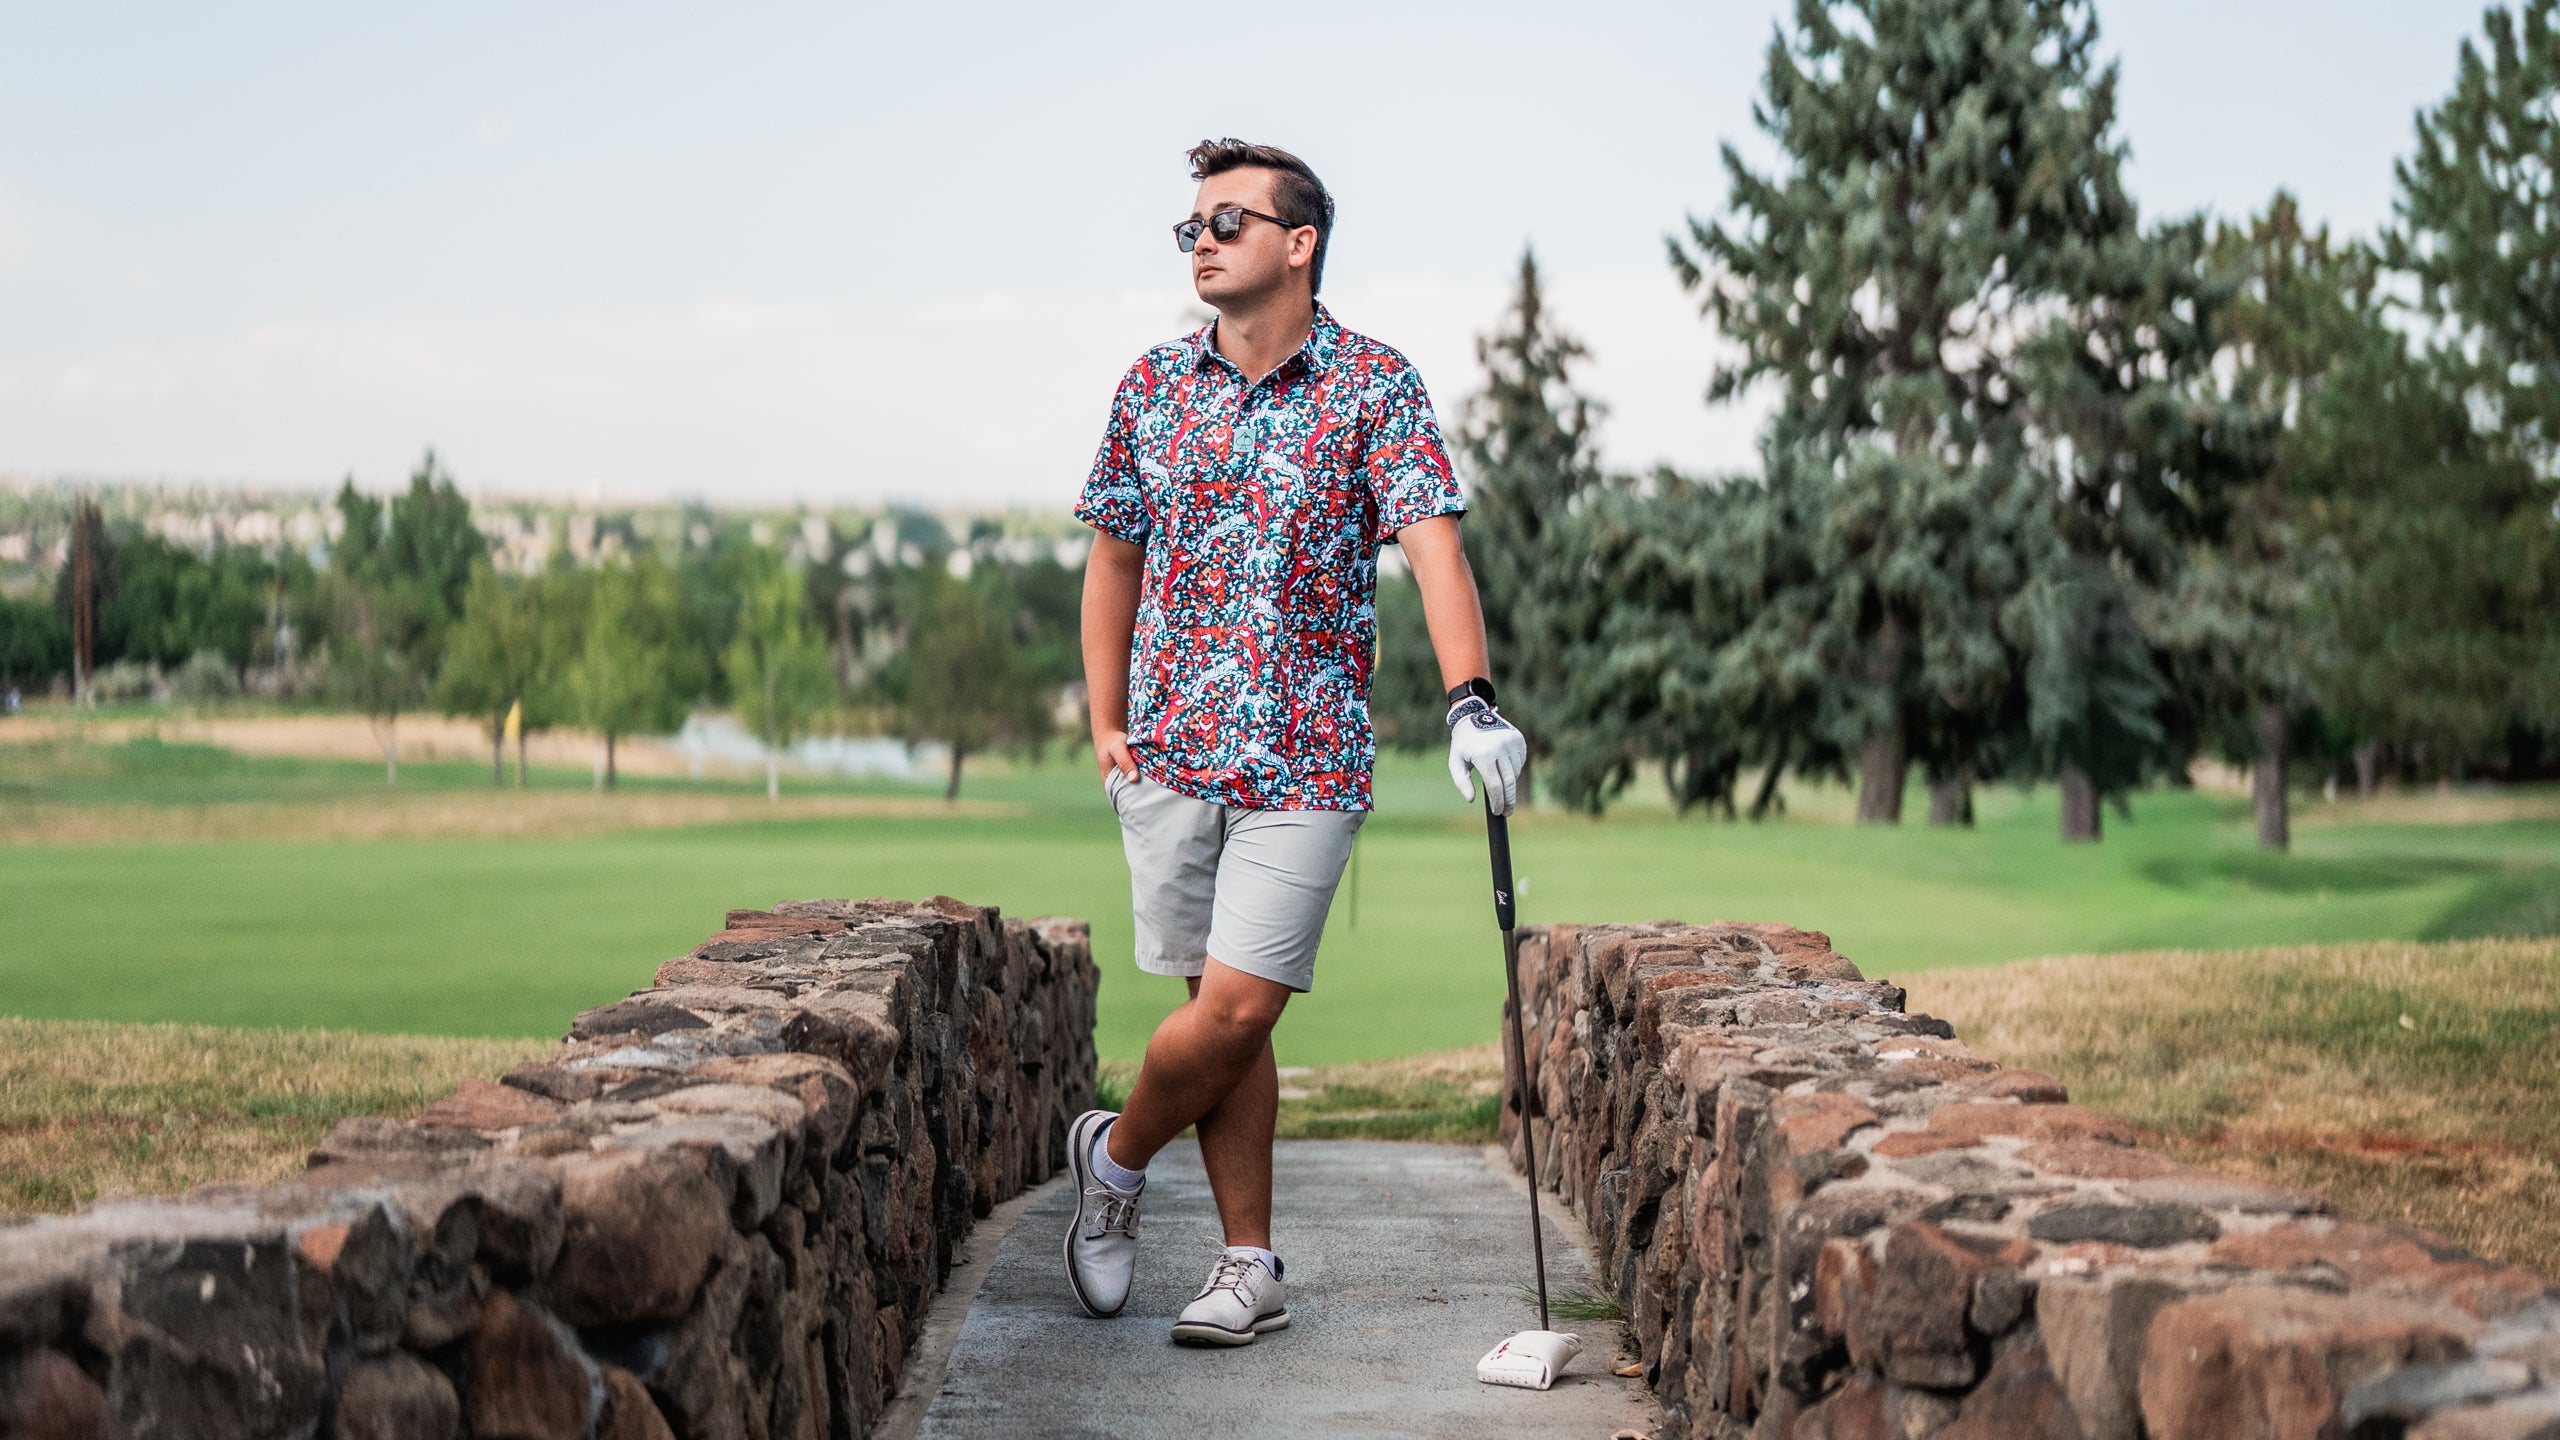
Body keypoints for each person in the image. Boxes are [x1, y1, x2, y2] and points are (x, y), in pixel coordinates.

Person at [1067, 137, 1529, 1347]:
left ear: (1299, 242)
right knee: (1225, 1015)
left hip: (1307, 758)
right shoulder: (1148, 389)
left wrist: (1469, 697)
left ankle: (1110, 1163)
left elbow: (1434, 545)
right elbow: (1115, 556)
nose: (1202, 242)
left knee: (1234, 1012)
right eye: (1191, 228)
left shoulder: (1374, 385)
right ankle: (1246, 1264)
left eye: (1227, 221)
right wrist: (1106, 719)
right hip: (1167, 756)